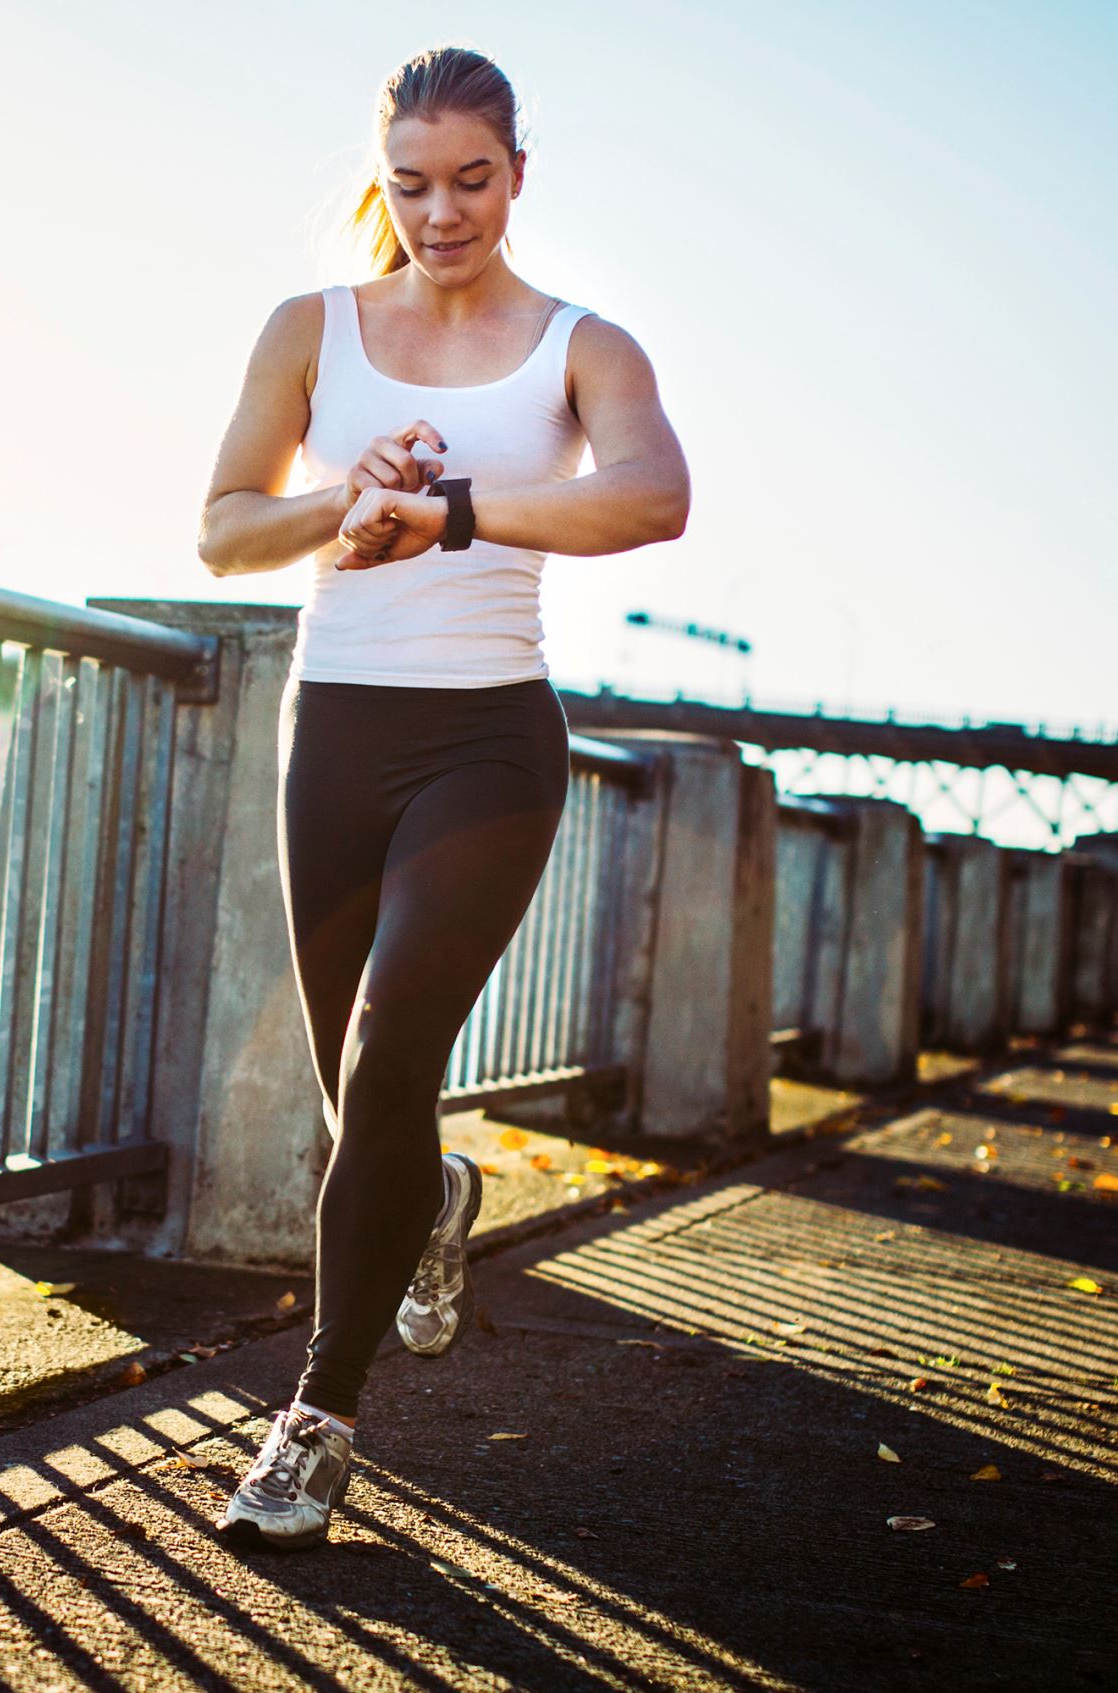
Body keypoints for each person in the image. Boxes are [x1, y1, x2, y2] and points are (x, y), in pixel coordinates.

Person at [193, 42, 690, 1552]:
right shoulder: (311, 329)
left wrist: (451, 508)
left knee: (390, 1036)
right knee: (372, 1109)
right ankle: (438, 1194)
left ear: (518, 176)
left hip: (488, 742)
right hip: (335, 731)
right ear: (382, 175)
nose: (442, 210)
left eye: (472, 180)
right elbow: (223, 534)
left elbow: (654, 494)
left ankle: (314, 1423)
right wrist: (347, 503)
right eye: (412, 183)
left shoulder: (580, 346)